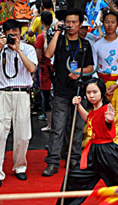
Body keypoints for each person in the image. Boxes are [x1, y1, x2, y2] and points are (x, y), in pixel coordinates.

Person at [0, 19, 37, 188]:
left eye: (15, 34)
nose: (12, 37)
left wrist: (18, 50)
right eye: (9, 35)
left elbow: (32, 68)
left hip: (23, 94)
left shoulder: (28, 49)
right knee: (0, 134)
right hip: (3, 94)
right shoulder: (0, 49)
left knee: (23, 136)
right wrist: (0, 48)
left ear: (20, 33)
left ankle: (20, 166)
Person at [43, 9, 94, 177]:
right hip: (61, 91)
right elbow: (48, 54)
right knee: (58, 127)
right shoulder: (59, 40)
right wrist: (57, 32)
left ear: (80, 24)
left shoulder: (85, 44)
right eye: (68, 22)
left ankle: (74, 159)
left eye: (74, 22)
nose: (71, 25)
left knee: (78, 127)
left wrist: (79, 71)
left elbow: (91, 68)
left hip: (79, 91)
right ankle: (53, 161)